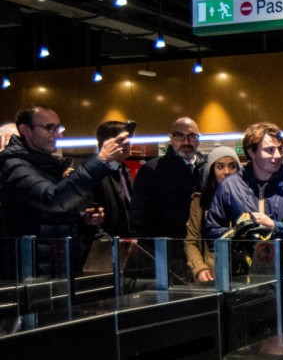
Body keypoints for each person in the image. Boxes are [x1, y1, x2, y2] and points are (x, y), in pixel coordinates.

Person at [1, 105, 129, 255]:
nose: (58, 135)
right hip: (32, 266)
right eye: (50, 128)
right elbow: (53, 200)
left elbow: (52, 215)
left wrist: (83, 219)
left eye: (58, 128)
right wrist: (101, 160)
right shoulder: (15, 165)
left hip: (59, 262)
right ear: (25, 130)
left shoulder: (50, 165)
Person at [204, 122, 283, 248]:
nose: (277, 155)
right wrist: (245, 233)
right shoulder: (230, 185)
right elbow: (211, 234)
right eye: (269, 150)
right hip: (244, 266)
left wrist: (275, 226)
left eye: (280, 149)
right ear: (252, 152)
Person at [130, 117, 207, 238]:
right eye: (179, 136)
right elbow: (139, 215)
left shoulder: (207, 169)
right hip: (166, 248)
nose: (186, 142)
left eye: (192, 136)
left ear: (198, 140)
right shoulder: (152, 170)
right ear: (171, 139)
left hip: (201, 246)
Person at [184, 146, 240, 282]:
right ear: (211, 171)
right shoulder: (200, 202)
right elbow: (191, 241)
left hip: (242, 274)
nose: (227, 172)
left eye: (232, 166)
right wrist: (199, 267)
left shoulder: (249, 199)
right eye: (220, 167)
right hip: (211, 276)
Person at [85, 120, 136, 239]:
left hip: (125, 244)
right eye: (124, 140)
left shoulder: (124, 170)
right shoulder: (92, 173)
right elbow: (90, 220)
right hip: (106, 248)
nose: (130, 144)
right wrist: (111, 246)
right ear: (110, 143)